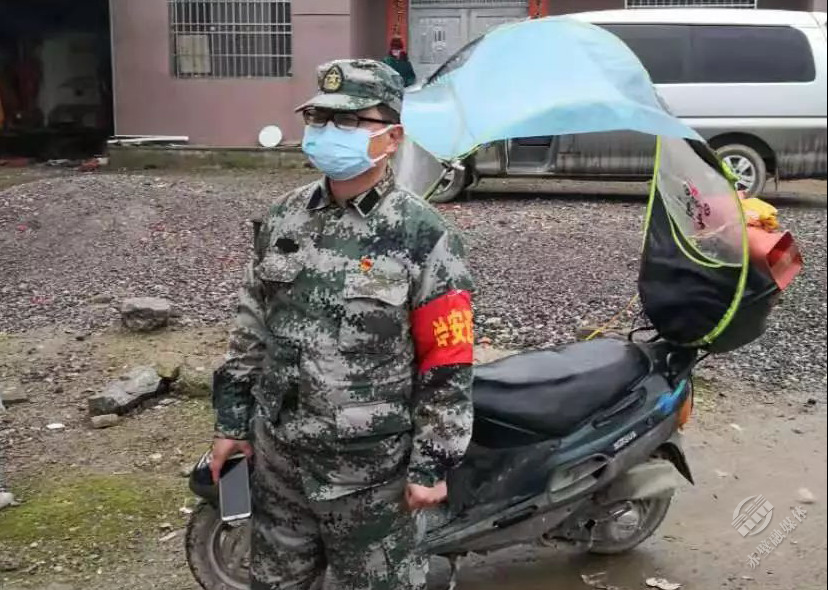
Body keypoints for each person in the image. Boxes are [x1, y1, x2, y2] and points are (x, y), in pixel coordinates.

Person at [210, 58, 475, 590]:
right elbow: (251, 327)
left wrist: (432, 462)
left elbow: (447, 358)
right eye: (319, 118)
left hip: (370, 474)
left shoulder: (423, 234)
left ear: (392, 137)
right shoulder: (283, 218)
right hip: (280, 459)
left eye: (351, 120)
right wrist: (232, 424)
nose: (329, 131)